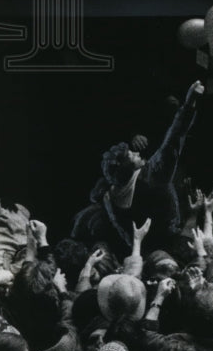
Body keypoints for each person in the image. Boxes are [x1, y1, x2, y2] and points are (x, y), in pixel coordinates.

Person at [72, 81, 205, 253]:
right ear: (127, 169)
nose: (136, 153)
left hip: (143, 249)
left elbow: (124, 232)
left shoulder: (109, 194)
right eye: (131, 155)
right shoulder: (152, 176)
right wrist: (190, 102)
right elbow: (174, 137)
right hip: (172, 245)